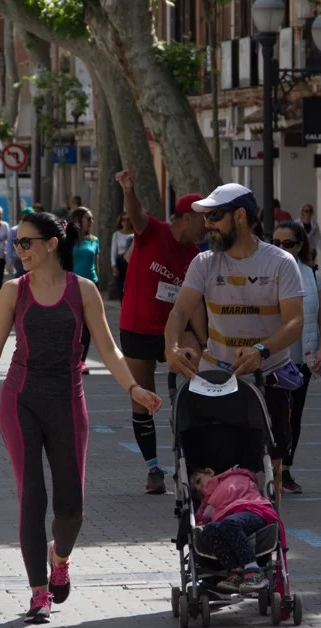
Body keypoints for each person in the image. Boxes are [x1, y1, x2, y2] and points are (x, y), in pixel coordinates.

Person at [0, 211, 162, 624]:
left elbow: (109, 348)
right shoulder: (13, 291)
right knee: (33, 498)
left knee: (72, 507)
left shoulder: (83, 291)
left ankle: (59, 559)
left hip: (67, 400)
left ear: (51, 244)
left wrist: (133, 388)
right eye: (17, 243)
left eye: (26, 242)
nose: (19, 250)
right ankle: (38, 593)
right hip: (20, 400)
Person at [165, 183, 305, 508]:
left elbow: (295, 322)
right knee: (209, 457)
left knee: (271, 467)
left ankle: (267, 526)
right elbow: (180, 311)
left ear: (240, 216)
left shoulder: (280, 263)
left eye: (215, 216)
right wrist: (171, 347)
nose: (208, 224)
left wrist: (261, 351)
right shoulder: (204, 263)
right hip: (215, 377)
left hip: (267, 375)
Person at [114, 166, 207, 494]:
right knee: (143, 399)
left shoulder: (196, 255)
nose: (205, 227)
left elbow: (194, 302)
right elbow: (136, 213)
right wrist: (128, 189)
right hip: (138, 327)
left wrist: (204, 340)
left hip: (173, 331)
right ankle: (153, 469)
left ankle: (191, 464)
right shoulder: (153, 231)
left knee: (194, 390)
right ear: (185, 217)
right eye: (202, 220)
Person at [273, 220, 321, 495]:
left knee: (293, 415)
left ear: (299, 246)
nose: (281, 249)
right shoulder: (264, 272)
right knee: (273, 413)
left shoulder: (312, 274)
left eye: (287, 244)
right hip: (270, 358)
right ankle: (268, 468)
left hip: (301, 360)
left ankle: (285, 470)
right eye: (275, 243)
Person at [190, 466, 281, 593]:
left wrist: (212, 504)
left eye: (199, 481)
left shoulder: (234, 476)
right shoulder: (206, 505)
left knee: (229, 523)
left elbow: (234, 490)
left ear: (209, 472)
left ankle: (254, 572)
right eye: (195, 491)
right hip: (229, 521)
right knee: (210, 529)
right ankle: (235, 572)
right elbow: (202, 518)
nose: (199, 488)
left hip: (252, 510)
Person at [70, 206, 100, 374]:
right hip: (72, 285)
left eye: (92, 219)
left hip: (91, 285)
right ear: (78, 220)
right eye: (88, 219)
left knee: (87, 325)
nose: (91, 222)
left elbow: (95, 264)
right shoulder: (68, 240)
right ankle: (70, 358)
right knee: (73, 323)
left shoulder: (94, 240)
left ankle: (82, 360)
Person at [109, 212, 133, 301]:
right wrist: (114, 266)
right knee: (121, 289)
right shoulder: (116, 234)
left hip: (132, 262)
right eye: (124, 220)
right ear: (120, 222)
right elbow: (113, 251)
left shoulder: (135, 234)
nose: (126, 222)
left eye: (128, 220)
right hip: (121, 262)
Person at [5, 207, 32, 279]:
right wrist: (9, 260)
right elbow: (9, 245)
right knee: (21, 277)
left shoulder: (35, 229)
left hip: (32, 257)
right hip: (19, 258)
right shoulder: (14, 230)